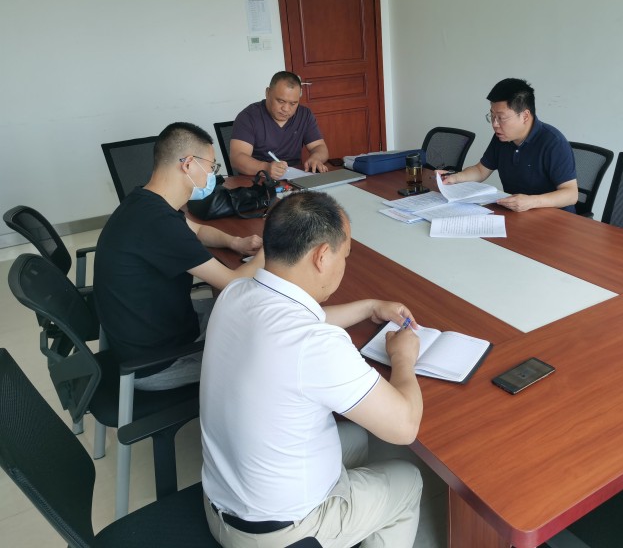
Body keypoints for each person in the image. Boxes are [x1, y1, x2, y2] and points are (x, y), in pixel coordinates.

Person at [201, 191, 424, 548]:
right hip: (276, 535)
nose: (344, 264)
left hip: (223, 502)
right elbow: (405, 427)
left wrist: (369, 306)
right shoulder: (315, 345)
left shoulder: (237, 292)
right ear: (322, 256)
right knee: (408, 479)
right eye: (345, 255)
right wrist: (404, 357)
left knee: (357, 438)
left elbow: (307, 322)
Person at [94, 122, 265, 391]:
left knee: (248, 318)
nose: (213, 175)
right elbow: (234, 282)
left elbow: (197, 230)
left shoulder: (144, 201)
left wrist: (235, 242)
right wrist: (274, 244)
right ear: (188, 164)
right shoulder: (158, 223)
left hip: (156, 330)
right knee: (265, 353)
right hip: (158, 362)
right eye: (211, 167)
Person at [441, 78, 578, 213]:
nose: (495, 124)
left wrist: (531, 202)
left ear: (525, 116)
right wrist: (454, 178)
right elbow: (480, 170)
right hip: (517, 213)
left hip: (555, 217)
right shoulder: (501, 138)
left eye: (501, 118)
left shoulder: (553, 142)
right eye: (492, 116)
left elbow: (571, 194)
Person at [230, 71, 330, 179]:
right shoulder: (248, 117)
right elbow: (237, 158)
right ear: (268, 93)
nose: (286, 109)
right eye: (280, 101)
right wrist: (265, 168)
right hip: (259, 180)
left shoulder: (304, 115)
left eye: (293, 103)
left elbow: (319, 146)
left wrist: (316, 158)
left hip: (295, 179)